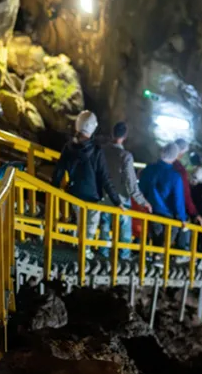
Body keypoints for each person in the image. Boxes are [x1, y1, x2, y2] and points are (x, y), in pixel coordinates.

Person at [51, 110, 124, 259]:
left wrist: (54, 188)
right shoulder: (97, 151)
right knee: (90, 225)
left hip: (75, 193)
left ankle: (80, 246)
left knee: (80, 221)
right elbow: (105, 178)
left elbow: (59, 170)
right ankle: (85, 250)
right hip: (92, 196)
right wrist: (117, 201)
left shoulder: (68, 148)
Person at [98, 122, 152, 260]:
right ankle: (124, 256)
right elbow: (132, 184)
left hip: (103, 197)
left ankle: (103, 253)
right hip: (121, 200)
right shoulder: (125, 156)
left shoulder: (101, 151)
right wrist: (143, 202)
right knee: (124, 230)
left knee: (104, 226)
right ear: (125, 136)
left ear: (112, 133)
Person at [138, 142, 188, 266]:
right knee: (169, 234)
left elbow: (141, 188)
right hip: (167, 214)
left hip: (151, 210)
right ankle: (158, 258)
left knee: (156, 235)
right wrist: (182, 218)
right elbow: (178, 200)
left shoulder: (149, 169)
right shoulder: (175, 176)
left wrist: (144, 202)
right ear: (175, 156)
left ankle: (155, 257)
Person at [173, 139, 202, 226]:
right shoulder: (180, 170)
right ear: (181, 153)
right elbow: (185, 194)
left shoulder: (157, 166)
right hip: (174, 212)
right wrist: (194, 213)